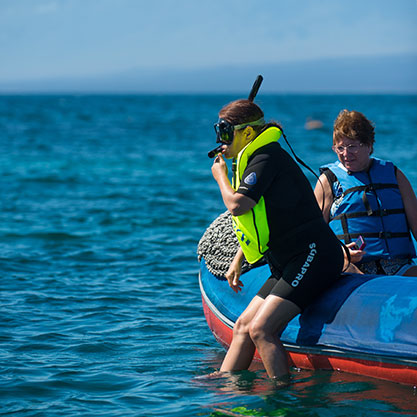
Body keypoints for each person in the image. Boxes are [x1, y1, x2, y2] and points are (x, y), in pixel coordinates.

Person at [211, 99, 344, 381]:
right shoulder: (252, 159)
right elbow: (254, 221)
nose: (220, 141)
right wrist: (238, 259)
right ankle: (225, 387)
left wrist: (221, 178)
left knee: (262, 329)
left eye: (225, 132)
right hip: (287, 260)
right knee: (243, 325)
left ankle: (281, 402)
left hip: (313, 255)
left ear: (247, 133)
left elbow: (238, 205)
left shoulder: (267, 158)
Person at [314, 110, 417, 276]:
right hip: (351, 266)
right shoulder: (328, 182)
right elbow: (313, 235)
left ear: (369, 146)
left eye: (352, 146)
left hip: (398, 266)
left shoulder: (394, 175)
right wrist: (340, 254)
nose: (346, 154)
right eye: (340, 148)